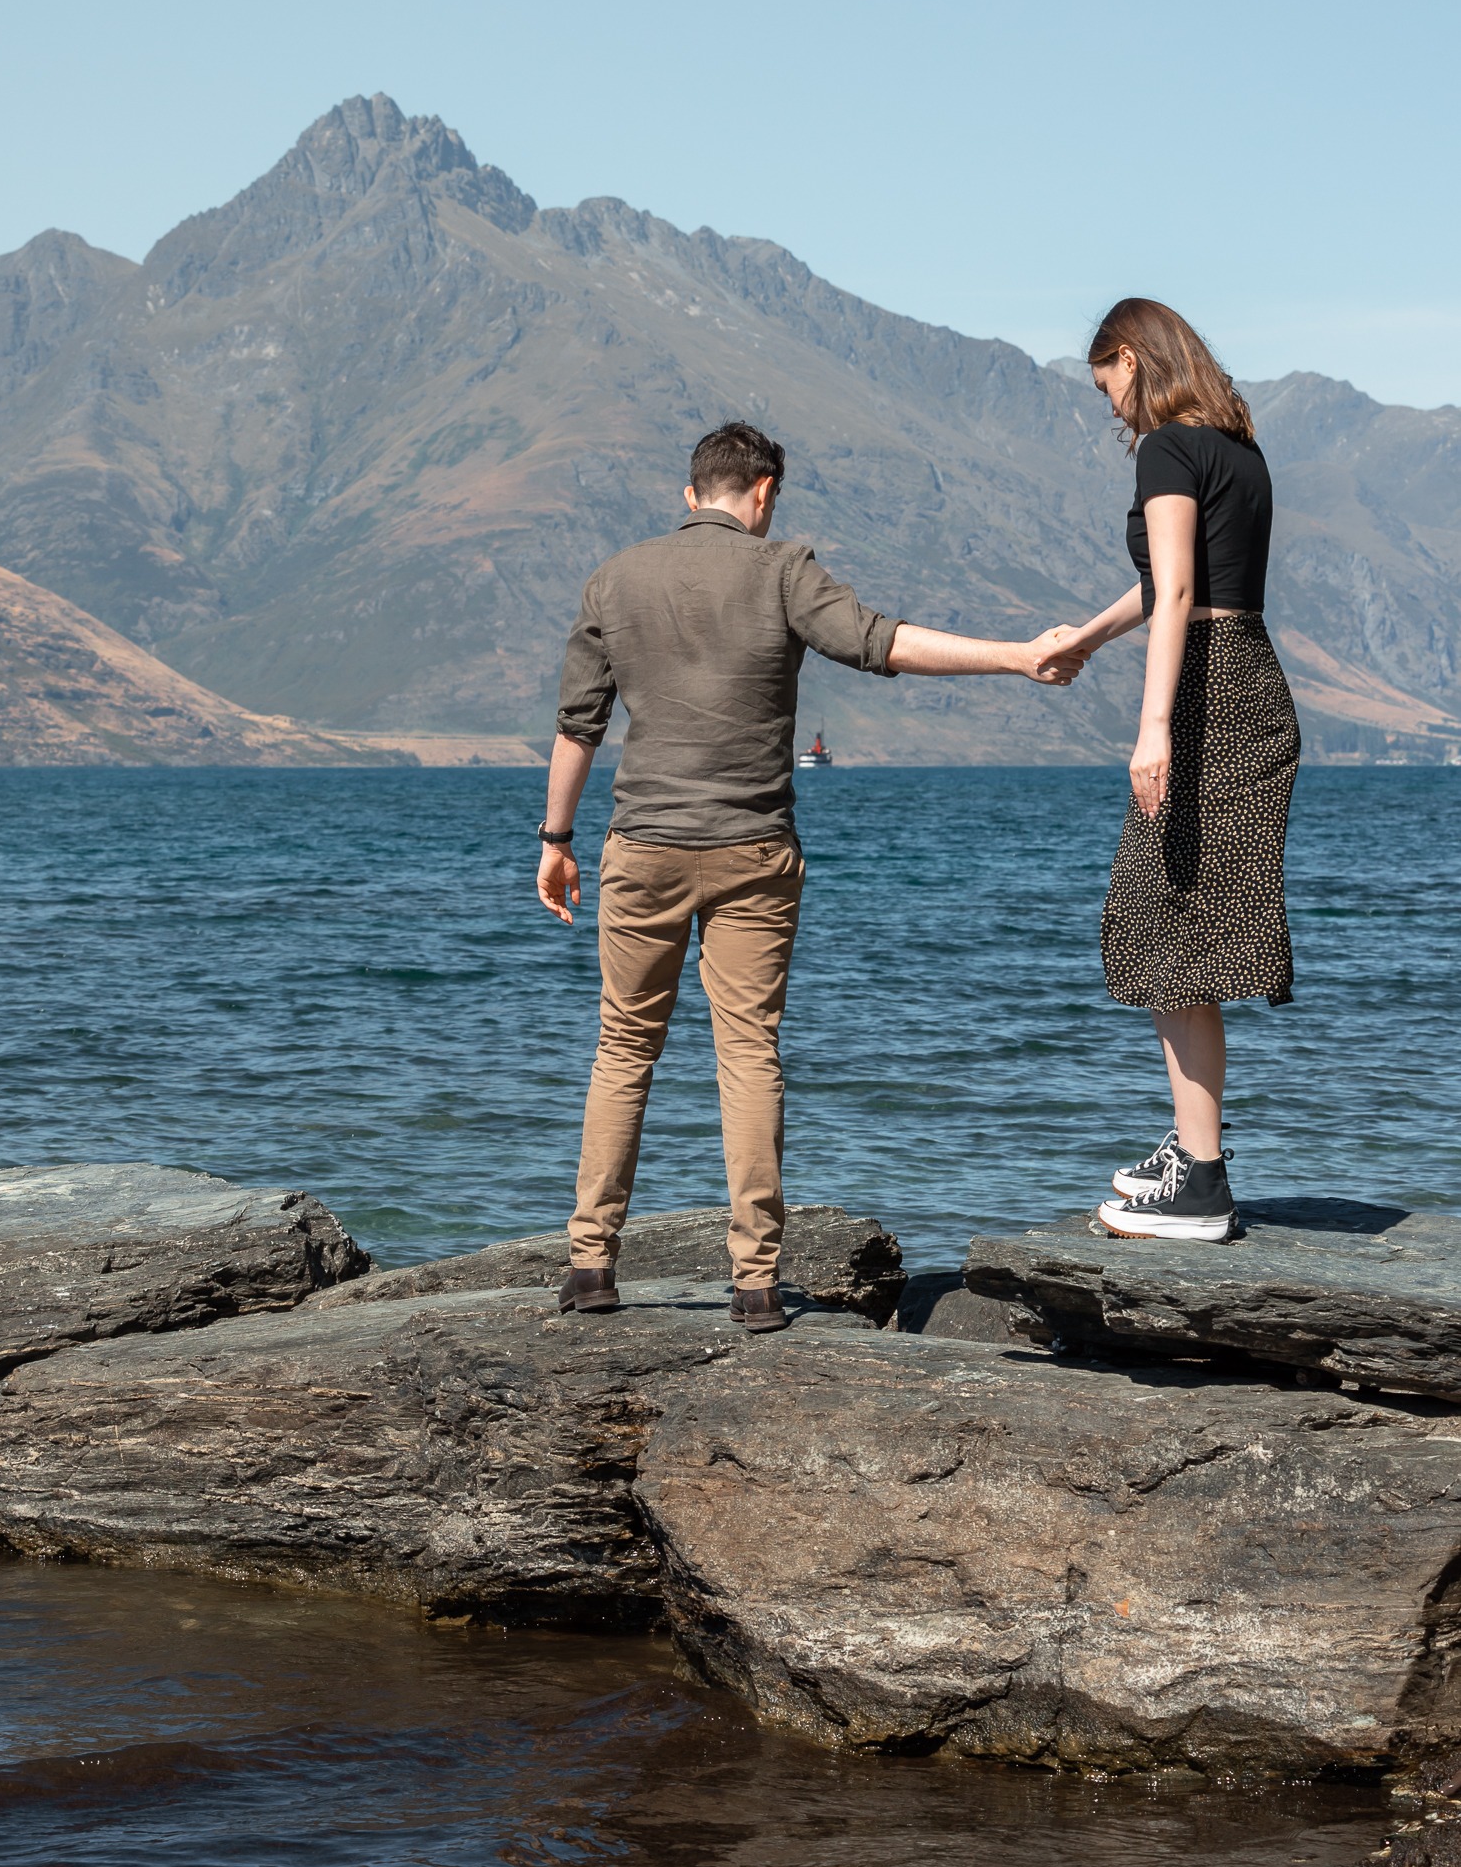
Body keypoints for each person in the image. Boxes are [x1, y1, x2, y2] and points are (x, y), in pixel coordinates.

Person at [535, 420, 1082, 1330]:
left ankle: (591, 1266)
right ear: (761, 493)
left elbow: (576, 728)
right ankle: (754, 1284)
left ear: (688, 493)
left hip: (644, 848)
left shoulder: (614, 580)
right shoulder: (782, 569)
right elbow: (882, 642)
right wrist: (1017, 655)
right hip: (754, 852)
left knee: (624, 1050)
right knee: (747, 1054)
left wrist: (556, 839)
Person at [1051, 300, 1300, 1244]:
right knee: (1178, 928)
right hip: (1250, 682)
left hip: (1205, 694)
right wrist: (1083, 637)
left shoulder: (1165, 450)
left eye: (1106, 385)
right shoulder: (1238, 450)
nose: (1110, 409)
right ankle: (1194, 1152)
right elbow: (1174, 579)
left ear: (1129, 359)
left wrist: (1152, 726)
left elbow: (1183, 593)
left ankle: (1201, 1185)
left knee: (1167, 928)